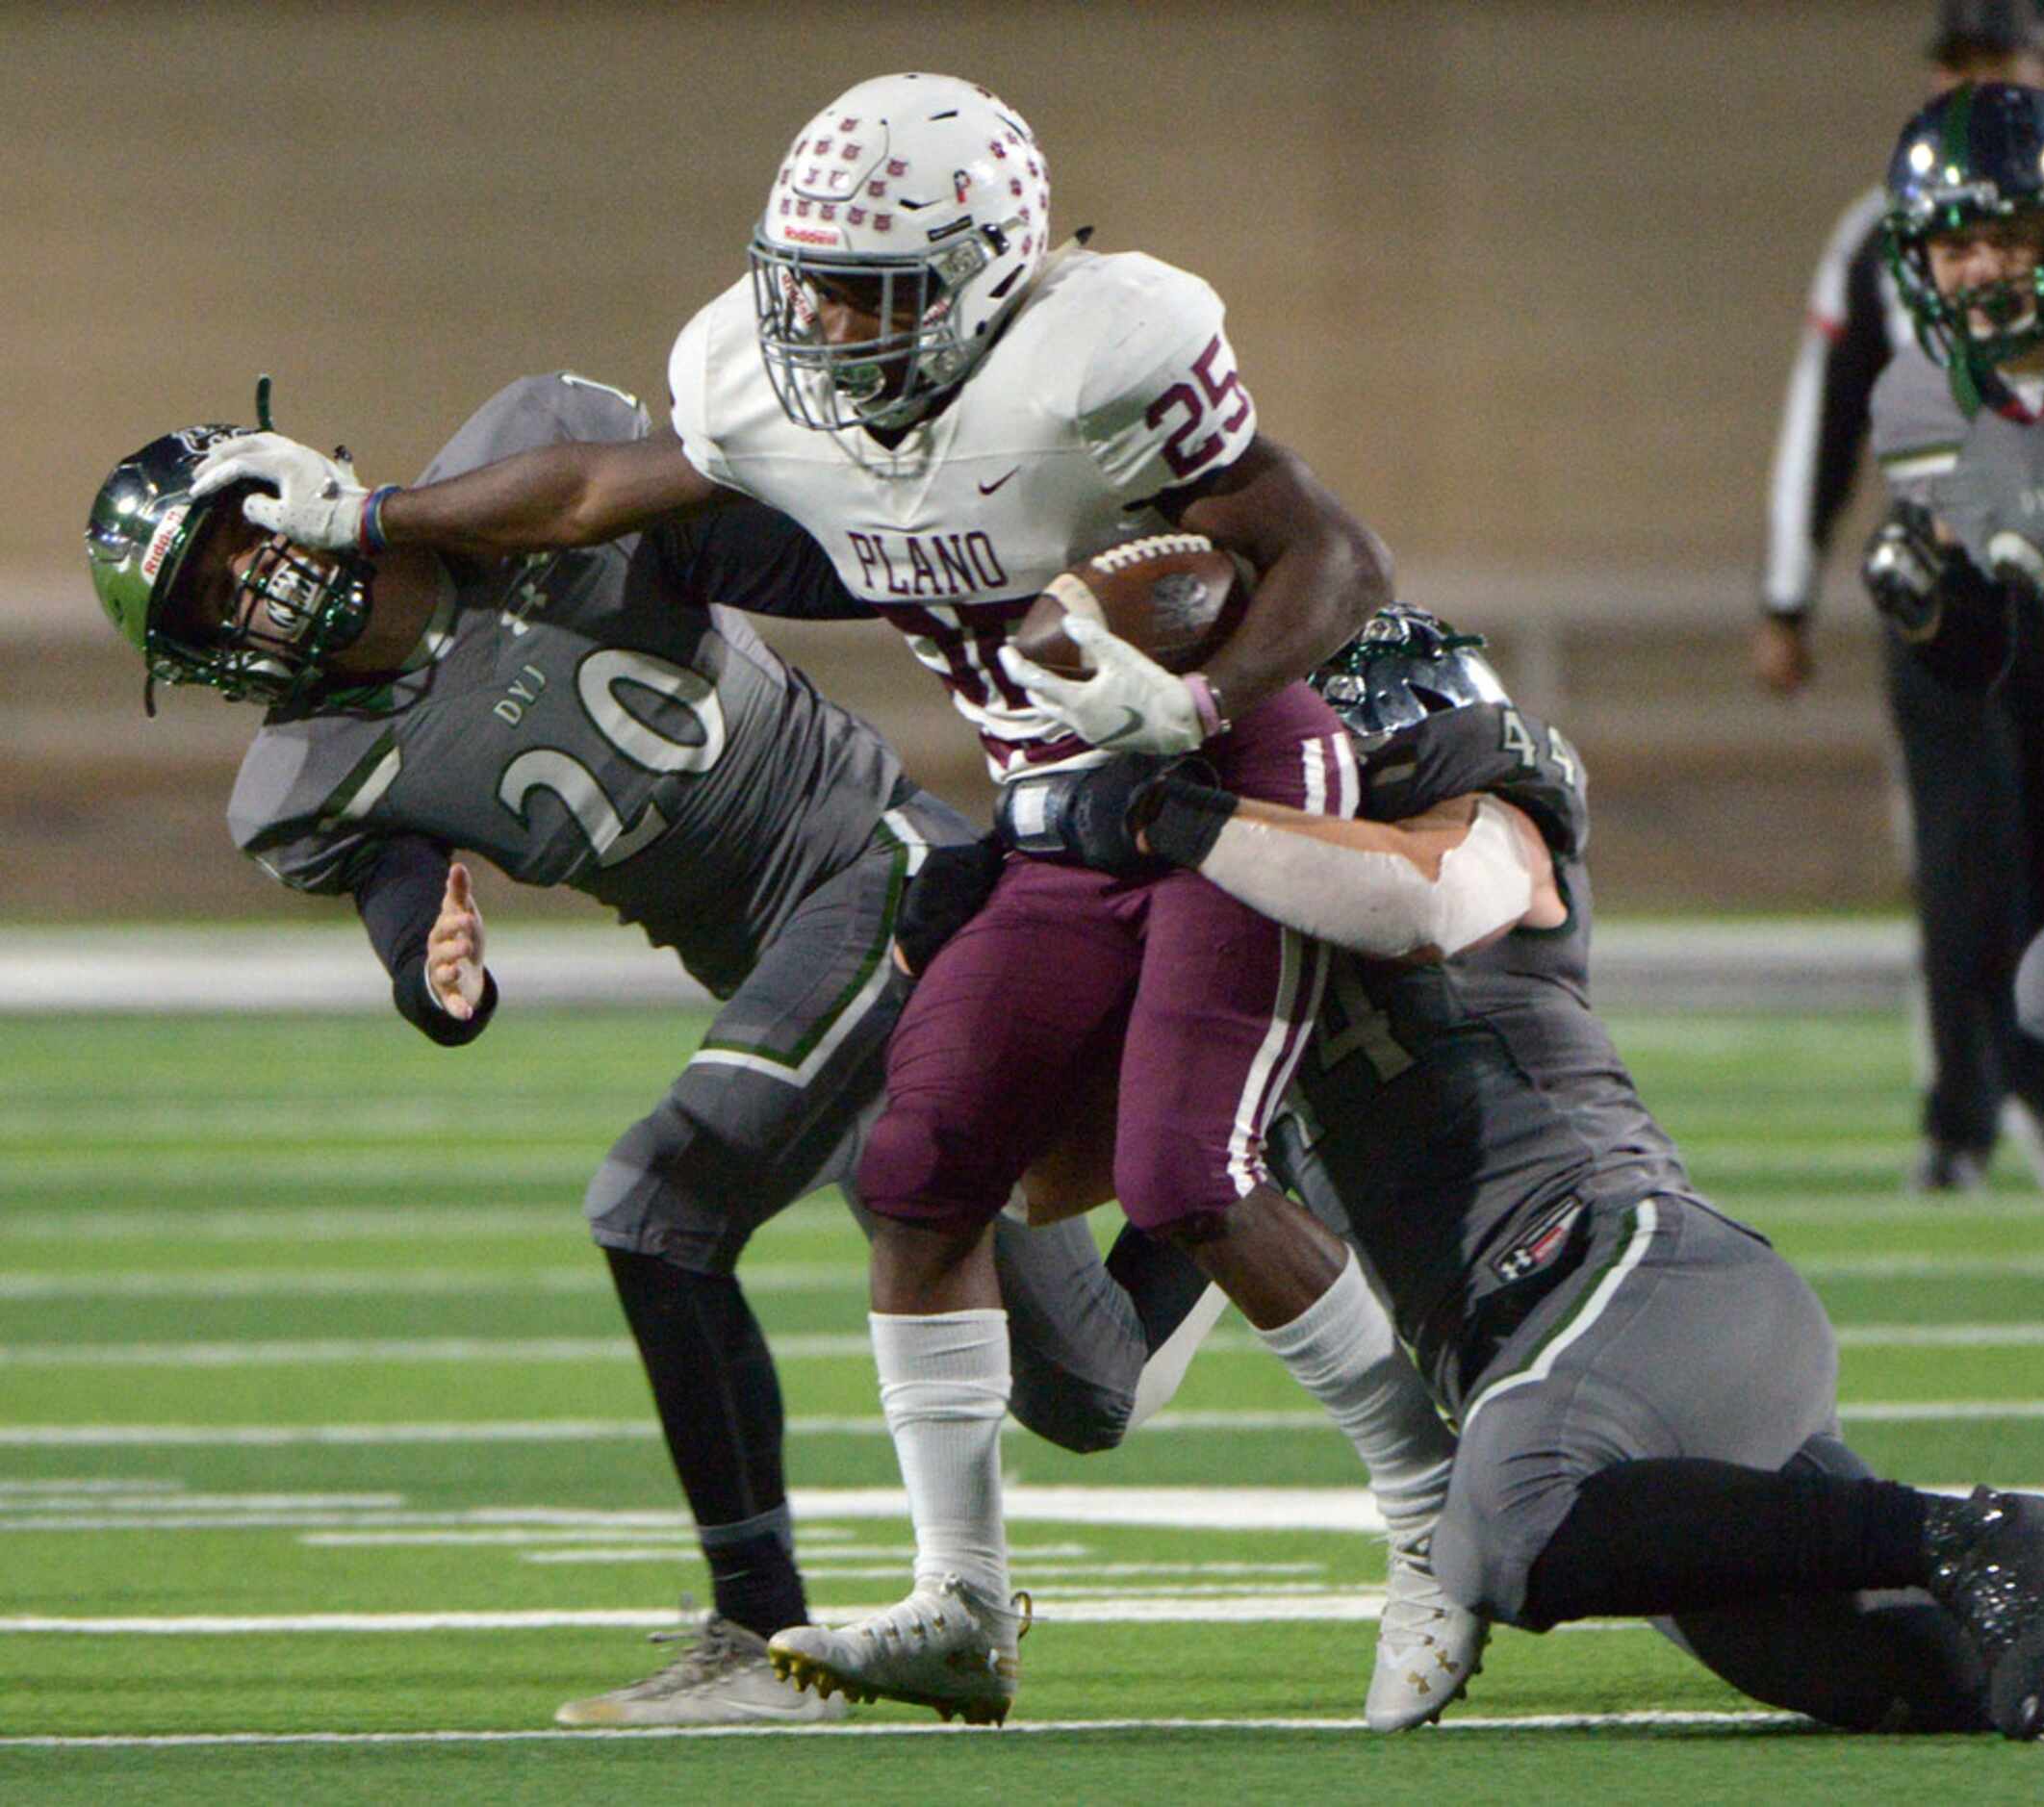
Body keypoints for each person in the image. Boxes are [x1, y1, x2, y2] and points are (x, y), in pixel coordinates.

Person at [184, 71, 1452, 1732]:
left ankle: (1411, 1515)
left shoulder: (1078, 359)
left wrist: (1169, 689)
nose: (833, 323)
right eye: (814, 282)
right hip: (910, 880)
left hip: (1029, 821)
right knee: (1044, 1336)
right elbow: (575, 535)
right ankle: (1016, 1528)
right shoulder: (314, 768)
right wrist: (434, 950)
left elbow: (1307, 556)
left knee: (724, 1200)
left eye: (876, 287)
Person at [84, 369, 1193, 1730]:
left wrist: (954, 561)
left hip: (886, 868)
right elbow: (411, 929)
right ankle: (1249, 1141)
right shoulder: (305, 778)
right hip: (783, 973)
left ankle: (754, 1628)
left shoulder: (519, 473)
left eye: (241, 543)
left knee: (654, 1206)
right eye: (211, 595)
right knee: (1089, 1387)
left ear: (294, 482)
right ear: (202, 653)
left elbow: (778, 544)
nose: (255, 589)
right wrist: (436, 978)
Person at [1004, 606, 2044, 1739]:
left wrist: (1175, 820)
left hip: (1640, 1285)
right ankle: (1974, 1566)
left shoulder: (1490, 820)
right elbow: (1111, 1370)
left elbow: (1419, 902)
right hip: (1584, 1397)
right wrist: (952, 1082)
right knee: (1924, 1668)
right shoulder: (1244, 1024)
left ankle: (1965, 1528)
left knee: (1504, 1528)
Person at [1755, 0, 2044, 1193]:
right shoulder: (1881, 242)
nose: (1977, 265)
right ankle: (1963, 1113)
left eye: (1994, 61)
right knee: (1966, 857)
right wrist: (1788, 587)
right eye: (1952, 63)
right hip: (1971, 573)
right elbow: (1827, 410)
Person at [1870, 80, 2044, 1107]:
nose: (1979, 268)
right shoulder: (1918, 405)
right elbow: (1979, 657)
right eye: (1952, 244)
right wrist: (1927, 607)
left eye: (2008, 236)